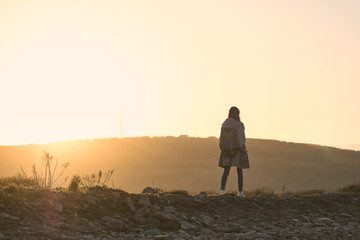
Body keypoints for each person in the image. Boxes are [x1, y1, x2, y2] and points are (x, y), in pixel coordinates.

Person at [218, 106, 250, 197]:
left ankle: (222, 190)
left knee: (226, 171)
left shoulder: (224, 125)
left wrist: (222, 147)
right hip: (237, 150)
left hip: (226, 150)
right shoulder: (239, 125)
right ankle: (240, 192)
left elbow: (221, 138)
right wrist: (242, 148)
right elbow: (241, 139)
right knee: (239, 171)